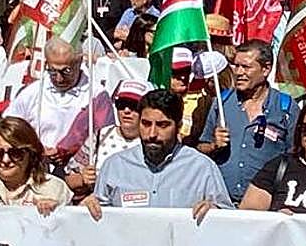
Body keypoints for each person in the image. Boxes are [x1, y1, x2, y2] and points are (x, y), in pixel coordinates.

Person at [84, 89, 233, 219]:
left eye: (162, 125)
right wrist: (88, 208)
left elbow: (229, 219)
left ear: (179, 126)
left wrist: (214, 211)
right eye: (146, 124)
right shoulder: (115, 166)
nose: (152, 134)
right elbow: (100, 216)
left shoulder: (202, 168)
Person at [199, 39, 299, 203]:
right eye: (236, 66)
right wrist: (213, 146)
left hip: (265, 205)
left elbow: (295, 158)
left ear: (266, 69)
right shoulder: (222, 103)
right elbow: (200, 150)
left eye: (246, 67)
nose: (238, 72)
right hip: (223, 203)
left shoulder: (285, 107)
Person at [5, 37, 116, 170]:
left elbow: (105, 138)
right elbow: (8, 129)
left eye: (66, 71)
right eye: (52, 71)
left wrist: (69, 151)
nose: (59, 78)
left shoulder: (96, 95)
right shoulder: (32, 92)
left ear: (79, 61)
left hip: (78, 171)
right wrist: (35, 147)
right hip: (36, 166)